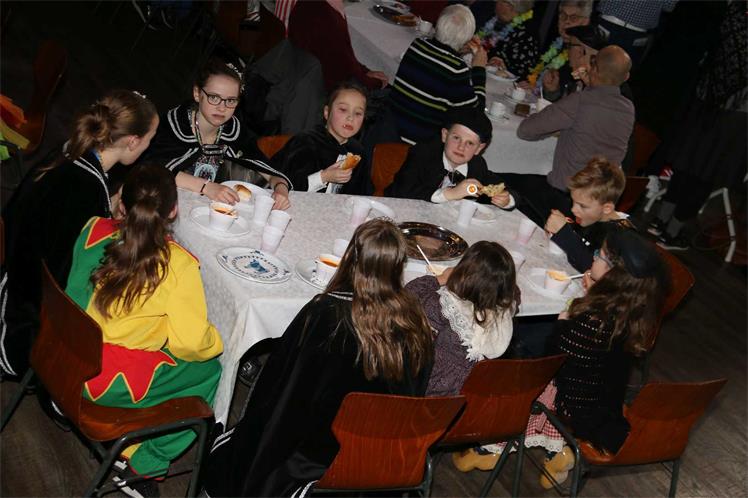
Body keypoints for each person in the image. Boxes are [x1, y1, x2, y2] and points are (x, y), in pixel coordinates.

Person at [203, 219, 434, 497]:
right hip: (380, 458)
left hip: (317, 461)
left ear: (352, 257)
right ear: (399, 265)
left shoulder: (325, 313)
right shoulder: (416, 321)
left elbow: (283, 389)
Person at [65, 164, 223, 497]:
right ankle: (145, 463)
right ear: (174, 210)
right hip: (99, 377)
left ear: (122, 203)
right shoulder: (177, 263)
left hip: (63, 352)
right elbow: (190, 344)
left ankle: (131, 437)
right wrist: (217, 340)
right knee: (209, 371)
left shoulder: (93, 228)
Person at [0, 90, 158, 379]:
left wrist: (107, 207)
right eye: (150, 139)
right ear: (133, 141)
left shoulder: (71, 151)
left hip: (15, 266)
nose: (149, 146)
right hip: (30, 308)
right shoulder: (86, 189)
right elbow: (77, 269)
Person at [540, 229, 669, 487]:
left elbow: (549, 360)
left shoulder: (592, 322)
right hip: (605, 398)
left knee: (524, 349)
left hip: (575, 406)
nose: (594, 256)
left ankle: (502, 446)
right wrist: (594, 296)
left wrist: (565, 319)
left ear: (613, 273)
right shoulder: (631, 311)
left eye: (599, 254)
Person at [647, 1, 747, 251]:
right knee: (705, 173)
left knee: (688, 164)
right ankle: (671, 232)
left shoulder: (732, 11)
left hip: (707, 98)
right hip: (734, 112)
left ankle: (661, 221)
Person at [505, 45, 634, 226]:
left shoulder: (581, 100)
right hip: (597, 203)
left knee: (503, 178)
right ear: (626, 77)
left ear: (593, 68)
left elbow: (526, 130)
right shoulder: (628, 109)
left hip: (564, 197)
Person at [143, 58, 291, 209]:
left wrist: (280, 188)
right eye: (214, 97)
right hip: (165, 206)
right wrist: (206, 187)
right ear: (197, 93)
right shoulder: (172, 126)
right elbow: (150, 169)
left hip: (208, 209)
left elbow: (266, 168)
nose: (222, 108)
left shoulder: (233, 131)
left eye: (231, 100)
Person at [406, 241, 520, 397]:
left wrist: (440, 278)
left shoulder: (447, 308)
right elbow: (515, 295)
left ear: (465, 273)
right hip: (467, 395)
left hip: (431, 391)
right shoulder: (503, 315)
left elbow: (408, 295)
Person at [389, 4, 487, 145]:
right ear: (467, 38)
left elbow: (440, 63)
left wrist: (457, 50)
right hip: (416, 146)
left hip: (388, 130)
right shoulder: (457, 69)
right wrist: (479, 69)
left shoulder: (417, 45)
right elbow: (475, 116)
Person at [386, 107, 516, 209]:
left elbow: (505, 188)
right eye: (456, 138)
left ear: (479, 148)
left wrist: (507, 199)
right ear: (444, 135)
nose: (461, 147)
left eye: (470, 143)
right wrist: (450, 193)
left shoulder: (477, 166)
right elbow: (402, 190)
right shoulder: (424, 153)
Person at [271, 82, 369, 194]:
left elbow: (359, 194)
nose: (350, 118)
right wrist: (324, 177)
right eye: (343, 109)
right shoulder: (306, 142)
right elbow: (285, 183)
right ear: (327, 112)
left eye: (358, 113)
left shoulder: (358, 152)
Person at [545, 157, 634, 272]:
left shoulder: (620, 237)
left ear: (606, 208)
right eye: (573, 201)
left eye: (582, 206)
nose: (573, 209)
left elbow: (596, 271)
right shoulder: (589, 215)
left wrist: (564, 234)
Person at [287, 0, 388, 92]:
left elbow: (343, 56)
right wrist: (376, 83)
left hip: (306, 77)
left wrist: (364, 71)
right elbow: (345, 76)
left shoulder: (320, 6)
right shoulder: (325, 16)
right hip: (319, 91)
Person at [524, 0, 594, 99]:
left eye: (573, 18)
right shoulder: (556, 44)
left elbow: (568, 98)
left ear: (585, 22)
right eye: (563, 16)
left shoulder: (584, 55)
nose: (566, 21)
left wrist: (540, 91)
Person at [596, 0, 678, 68]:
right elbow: (668, 6)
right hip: (637, 32)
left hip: (608, 22)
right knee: (619, 73)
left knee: (595, 64)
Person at [480, 0, 539, 80]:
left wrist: (501, 65)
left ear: (510, 6)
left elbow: (524, 74)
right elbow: (483, 44)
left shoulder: (527, 34)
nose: (496, 2)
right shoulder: (495, 20)